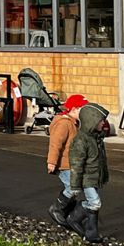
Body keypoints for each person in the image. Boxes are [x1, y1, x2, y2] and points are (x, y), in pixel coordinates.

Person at [66, 101, 111, 243]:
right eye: (100, 120)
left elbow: (100, 161)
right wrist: (75, 185)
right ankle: (76, 218)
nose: (103, 123)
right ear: (91, 121)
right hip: (87, 178)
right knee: (95, 203)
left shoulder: (96, 138)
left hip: (95, 177)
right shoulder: (81, 140)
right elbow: (76, 164)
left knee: (94, 203)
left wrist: (103, 176)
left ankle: (91, 232)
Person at [46, 93, 88, 227]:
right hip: (64, 164)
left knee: (75, 187)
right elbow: (55, 143)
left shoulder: (74, 124)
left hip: (72, 163)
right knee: (73, 187)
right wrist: (52, 161)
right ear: (74, 109)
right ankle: (57, 208)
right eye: (83, 110)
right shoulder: (64, 124)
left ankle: (67, 210)